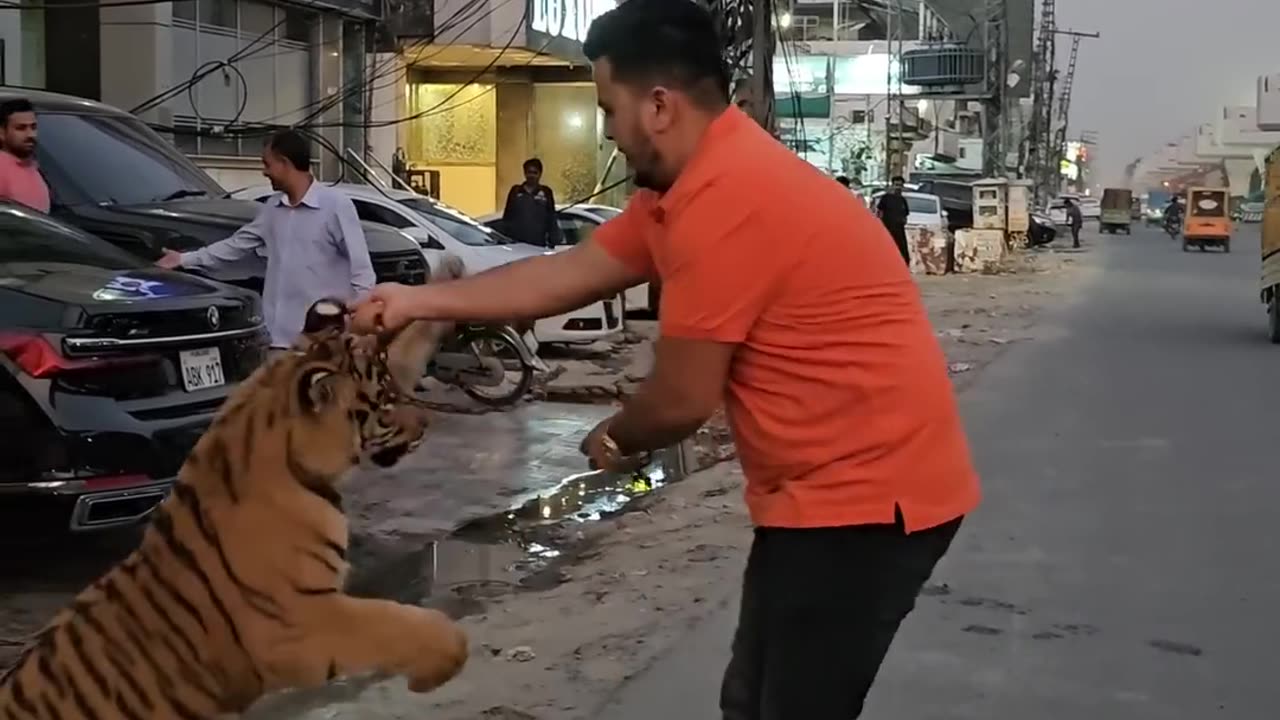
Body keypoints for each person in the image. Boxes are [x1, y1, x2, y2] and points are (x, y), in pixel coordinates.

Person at [351, 1, 979, 718]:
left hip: (870, 502)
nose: (611, 135)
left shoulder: (728, 198)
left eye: (608, 109)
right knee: (750, 697)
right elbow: (568, 272)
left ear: (657, 106)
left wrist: (616, 436)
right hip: (818, 496)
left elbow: (682, 399)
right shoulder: (686, 189)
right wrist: (417, 303)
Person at [157, 129, 375, 356]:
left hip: (322, 342)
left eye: (267, 164)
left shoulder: (335, 206)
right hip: (276, 341)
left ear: (284, 163)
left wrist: (355, 323)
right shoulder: (273, 208)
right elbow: (236, 245)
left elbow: (363, 273)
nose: (264, 172)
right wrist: (184, 259)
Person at [0, 98, 50, 213]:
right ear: (2, 132)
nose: (30, 134)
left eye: (33, 127)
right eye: (21, 128)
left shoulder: (32, 167)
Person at [501, 158, 563, 248]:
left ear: (540, 174)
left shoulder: (546, 192)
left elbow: (551, 217)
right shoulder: (516, 191)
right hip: (517, 245)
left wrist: (553, 240)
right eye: (529, 172)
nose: (531, 175)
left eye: (535, 173)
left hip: (538, 245)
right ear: (525, 173)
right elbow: (507, 217)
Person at [874, 176, 911, 264]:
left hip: (899, 229)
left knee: (901, 248)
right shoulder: (886, 198)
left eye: (900, 185)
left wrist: (903, 221)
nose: (898, 187)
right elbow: (879, 211)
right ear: (892, 185)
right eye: (896, 185)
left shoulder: (902, 200)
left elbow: (905, 214)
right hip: (887, 228)